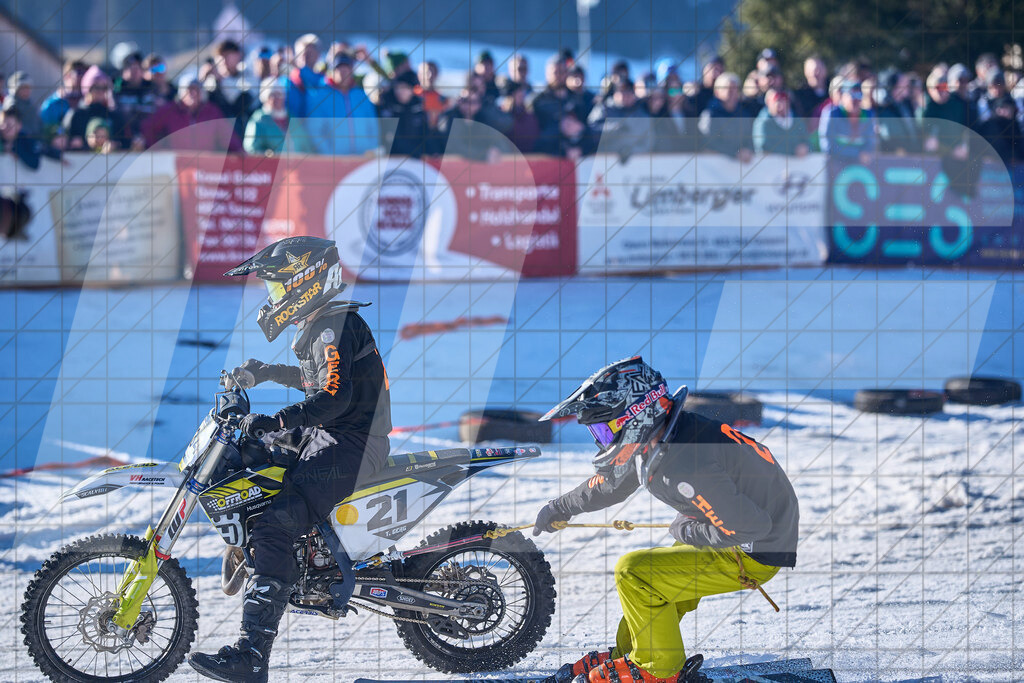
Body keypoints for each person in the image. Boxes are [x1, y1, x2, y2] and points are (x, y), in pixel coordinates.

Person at [188, 236, 392, 683]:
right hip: (336, 437)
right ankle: (269, 555)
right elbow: (317, 379)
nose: (274, 297)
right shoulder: (325, 325)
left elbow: (334, 396)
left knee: (275, 524)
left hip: (354, 445)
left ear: (306, 281)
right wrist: (265, 373)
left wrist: (277, 419)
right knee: (260, 467)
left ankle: (251, 656)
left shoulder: (332, 325)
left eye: (278, 287)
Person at [535, 357, 798, 683]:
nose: (601, 440)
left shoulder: (682, 463)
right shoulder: (660, 436)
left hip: (754, 547)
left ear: (634, 415)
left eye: (604, 429)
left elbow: (750, 527)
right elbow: (611, 484)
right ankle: (629, 655)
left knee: (634, 573)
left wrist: (688, 530)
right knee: (654, 583)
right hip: (744, 527)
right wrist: (559, 507)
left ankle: (656, 669)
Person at [305, 53, 380, 156]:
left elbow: (372, 126)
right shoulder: (319, 97)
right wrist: (328, 154)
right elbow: (315, 130)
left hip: (362, 158)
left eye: (346, 68)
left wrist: (370, 148)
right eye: (339, 69)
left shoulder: (361, 96)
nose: (343, 72)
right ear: (331, 71)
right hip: (335, 160)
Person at [142, 75, 241, 151]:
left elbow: (227, 136)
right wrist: (158, 150)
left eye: (196, 90)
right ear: (181, 93)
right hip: (175, 165)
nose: (193, 94)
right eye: (189, 90)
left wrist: (239, 151)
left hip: (206, 165)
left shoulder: (212, 112)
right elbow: (148, 128)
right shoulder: (169, 110)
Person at [62, 66, 129, 150]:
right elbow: (60, 142)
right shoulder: (75, 115)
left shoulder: (113, 116)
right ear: (87, 89)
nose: (100, 91)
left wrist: (115, 146)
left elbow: (125, 143)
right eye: (96, 87)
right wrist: (75, 144)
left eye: (104, 88)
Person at [205, 39, 257, 141]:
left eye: (227, 55)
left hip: (242, 132)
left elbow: (245, 101)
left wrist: (222, 81)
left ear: (238, 55)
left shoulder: (248, 75)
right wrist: (202, 80)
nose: (223, 60)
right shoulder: (211, 82)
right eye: (220, 56)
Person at [244, 77, 312, 155]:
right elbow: (251, 148)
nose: (277, 99)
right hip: (273, 162)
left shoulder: (291, 117)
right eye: (272, 95)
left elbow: (305, 144)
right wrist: (266, 154)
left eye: (279, 94)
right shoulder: (259, 120)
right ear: (265, 98)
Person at [697, 72, 754, 161]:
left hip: (740, 165)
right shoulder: (709, 115)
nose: (731, 92)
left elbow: (750, 139)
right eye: (727, 88)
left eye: (735, 88)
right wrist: (735, 153)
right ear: (717, 92)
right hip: (715, 166)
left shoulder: (744, 114)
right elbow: (709, 143)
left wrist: (748, 150)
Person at [818, 80, 875, 164]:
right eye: (851, 94)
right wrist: (857, 155)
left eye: (859, 95)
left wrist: (864, 153)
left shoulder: (868, 115)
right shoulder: (832, 114)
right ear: (842, 96)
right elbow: (827, 146)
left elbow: (870, 144)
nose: (855, 99)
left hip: (860, 167)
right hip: (836, 165)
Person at [752, 89, 810, 156]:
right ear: (768, 102)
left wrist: (806, 148)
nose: (781, 104)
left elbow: (809, 144)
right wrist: (793, 152)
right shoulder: (762, 123)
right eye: (777, 100)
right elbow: (763, 148)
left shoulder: (798, 122)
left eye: (784, 100)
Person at [5, 72, 43, 141]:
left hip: (34, 140)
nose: (27, 90)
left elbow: (38, 124)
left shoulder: (30, 104)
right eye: (23, 87)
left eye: (28, 87)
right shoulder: (12, 105)